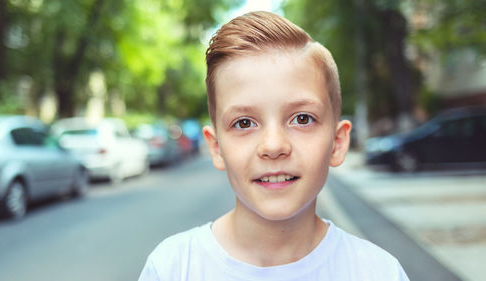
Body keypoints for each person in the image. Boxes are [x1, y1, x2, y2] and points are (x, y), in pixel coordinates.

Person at [138, 11, 409, 281]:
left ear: (337, 143)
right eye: (244, 123)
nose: (274, 145)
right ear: (216, 147)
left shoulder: (378, 272)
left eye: (302, 119)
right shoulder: (172, 268)